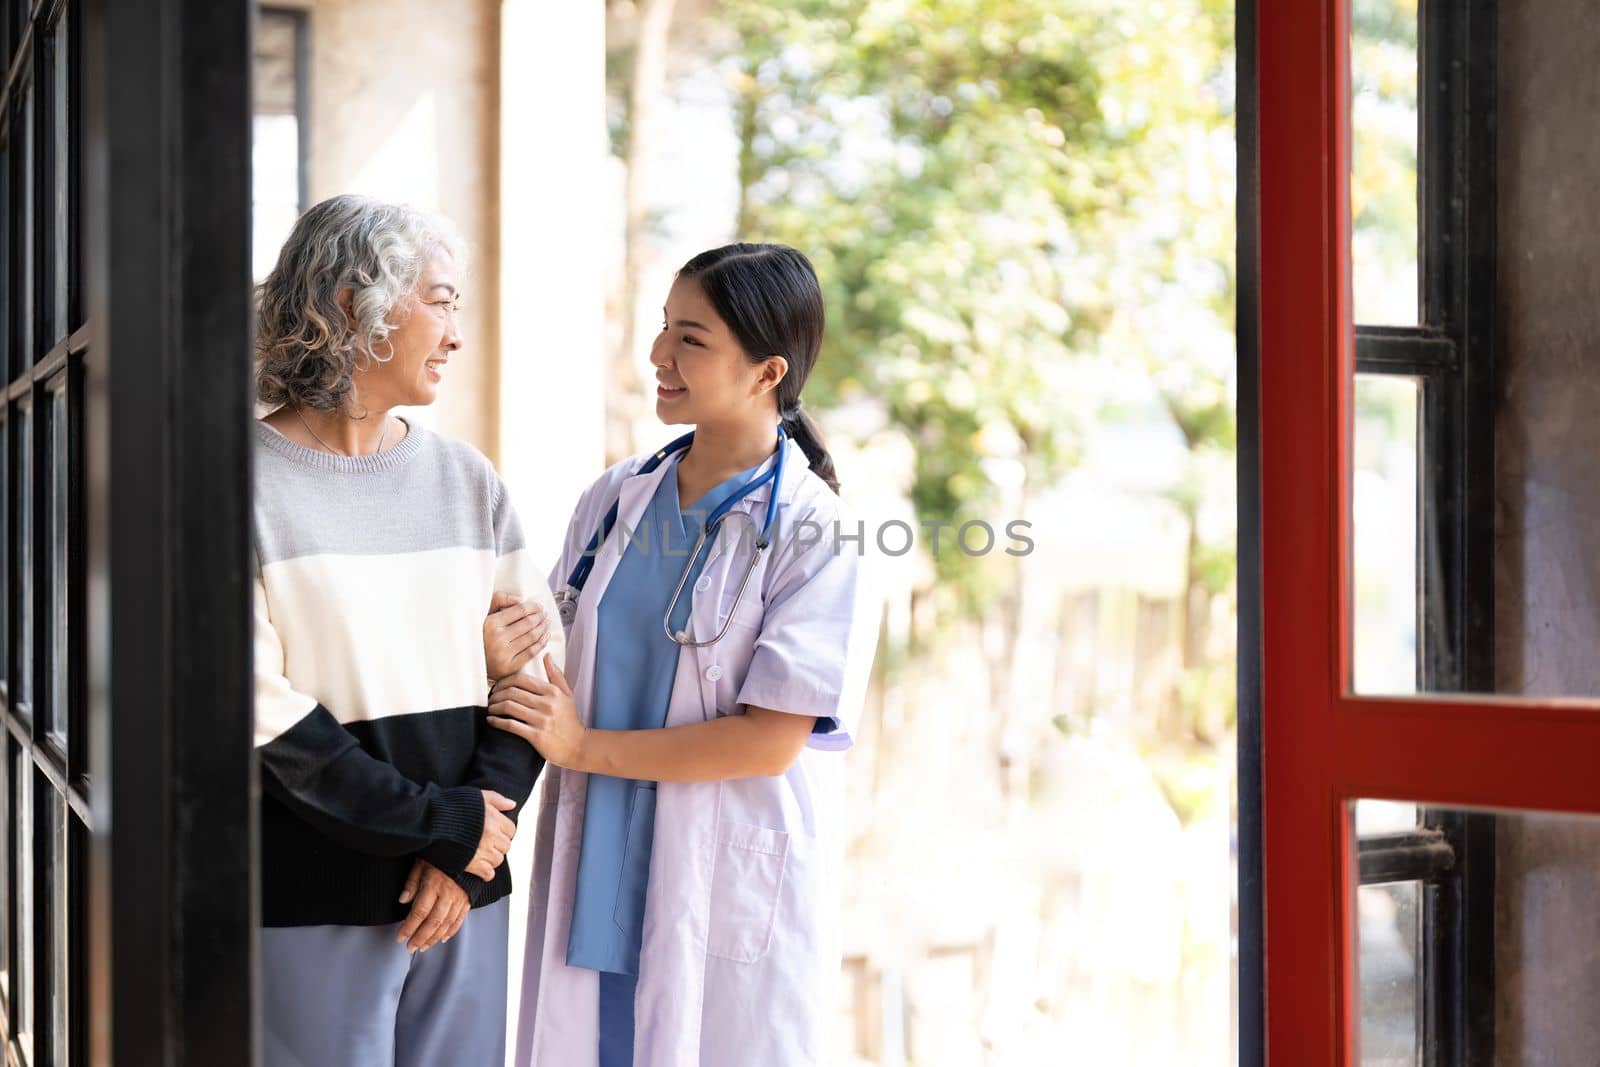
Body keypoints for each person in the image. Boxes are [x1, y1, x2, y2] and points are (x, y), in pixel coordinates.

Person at [486, 243, 876, 1066]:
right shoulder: (614, 497)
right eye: (665, 328)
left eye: (690, 339)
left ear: (767, 372)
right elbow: (548, 652)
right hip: (597, 865)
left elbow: (769, 741)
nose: (659, 354)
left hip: (716, 873)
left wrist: (583, 747)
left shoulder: (815, 530)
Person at [251, 193, 562, 1066]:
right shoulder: (242, 489)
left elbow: (538, 679)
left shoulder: (468, 480)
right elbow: (260, 716)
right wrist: (441, 824)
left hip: (462, 900)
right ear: (357, 305)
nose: (456, 332)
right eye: (442, 299)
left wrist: (466, 855)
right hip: (311, 897)